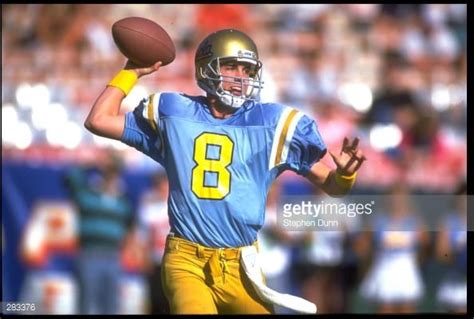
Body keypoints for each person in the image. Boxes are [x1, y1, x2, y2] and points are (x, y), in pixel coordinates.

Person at [84, 28, 366, 314]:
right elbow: (99, 119)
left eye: (247, 69)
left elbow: (334, 187)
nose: (239, 77)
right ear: (207, 68)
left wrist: (344, 175)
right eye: (230, 66)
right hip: (187, 260)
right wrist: (131, 71)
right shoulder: (174, 111)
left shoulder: (271, 123)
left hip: (241, 265)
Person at [64, 149, 134, 314]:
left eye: (114, 171)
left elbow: (130, 227)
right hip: (89, 254)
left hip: (113, 257)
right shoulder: (87, 194)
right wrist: (94, 162)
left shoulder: (123, 200)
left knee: (110, 307)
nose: (111, 174)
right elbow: (71, 176)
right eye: (108, 171)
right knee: (86, 305)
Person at [136, 171, 171, 314]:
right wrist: (145, 259)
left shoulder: (178, 207)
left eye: (164, 184)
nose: (162, 187)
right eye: (158, 184)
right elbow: (143, 237)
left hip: (174, 260)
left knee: (173, 301)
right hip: (156, 261)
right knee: (155, 301)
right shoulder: (149, 208)